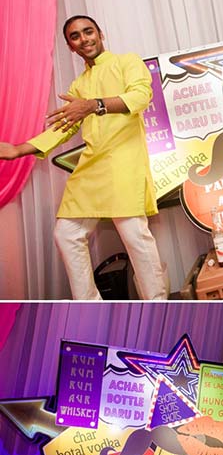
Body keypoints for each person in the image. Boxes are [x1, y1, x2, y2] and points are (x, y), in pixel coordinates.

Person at [0, 15, 167, 300]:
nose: (83, 39)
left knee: (135, 237)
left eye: (88, 31)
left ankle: (157, 304)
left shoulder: (127, 62)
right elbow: (63, 128)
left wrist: (94, 105)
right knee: (66, 234)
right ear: (70, 46)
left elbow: (141, 97)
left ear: (100, 34)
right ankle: (89, 305)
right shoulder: (78, 86)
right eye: (75, 36)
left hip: (123, 164)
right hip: (91, 168)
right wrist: (18, 149)